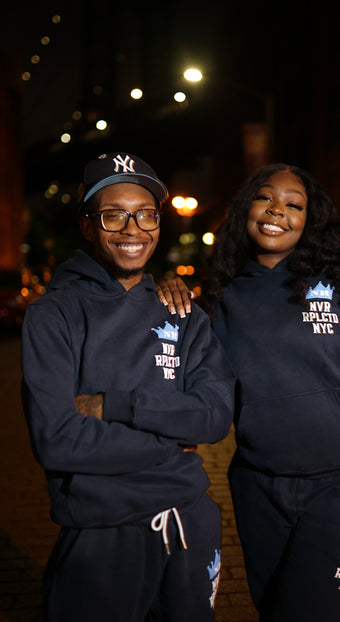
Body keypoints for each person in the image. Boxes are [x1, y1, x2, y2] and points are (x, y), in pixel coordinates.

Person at [157, 163, 340, 622]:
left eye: (294, 204)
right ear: (245, 211)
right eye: (265, 198)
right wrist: (163, 288)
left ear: (309, 219)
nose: (278, 210)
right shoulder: (221, 297)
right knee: (273, 609)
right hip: (259, 486)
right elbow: (193, 383)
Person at [21, 152, 235, 622]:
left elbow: (215, 417)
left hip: (188, 527)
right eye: (113, 214)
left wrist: (115, 407)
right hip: (101, 532)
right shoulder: (54, 315)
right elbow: (57, 440)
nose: (132, 228)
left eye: (146, 214)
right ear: (87, 225)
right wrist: (172, 445)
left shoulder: (185, 314)